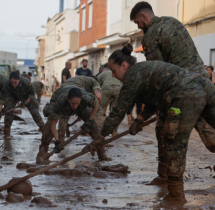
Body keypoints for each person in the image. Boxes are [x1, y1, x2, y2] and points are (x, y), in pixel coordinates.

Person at [92, 45, 215, 202]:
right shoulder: (144, 70)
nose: (114, 76)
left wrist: (100, 135)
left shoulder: (132, 76)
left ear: (123, 65)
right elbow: (156, 99)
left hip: (185, 96)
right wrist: (140, 119)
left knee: (174, 141)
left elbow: (118, 111)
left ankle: (176, 195)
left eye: (114, 71)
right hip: (205, 87)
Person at [130, 1, 215, 178]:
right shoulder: (174, 21)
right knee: (210, 135)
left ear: (144, 16)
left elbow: (157, 75)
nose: (139, 27)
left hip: (182, 92)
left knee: (165, 130)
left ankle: (166, 180)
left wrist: (143, 115)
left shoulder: (151, 35)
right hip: (204, 85)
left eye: (138, 22)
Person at [39, 86, 110, 161]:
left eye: (77, 103)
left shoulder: (87, 98)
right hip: (63, 105)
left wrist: (90, 120)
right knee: (51, 127)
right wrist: (57, 141)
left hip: (82, 106)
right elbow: (53, 124)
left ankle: (101, 153)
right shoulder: (60, 102)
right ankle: (43, 151)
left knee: (94, 125)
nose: (75, 106)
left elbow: (95, 105)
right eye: (73, 103)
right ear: (67, 98)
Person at [0, 72, 45, 136]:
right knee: (8, 111)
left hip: (27, 96)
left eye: (15, 82)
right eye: (11, 82)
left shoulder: (26, 82)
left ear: (19, 79)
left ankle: (44, 132)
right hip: (13, 96)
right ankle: (7, 135)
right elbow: (2, 98)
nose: (13, 85)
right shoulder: (7, 84)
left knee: (35, 112)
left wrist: (26, 102)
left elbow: (32, 92)